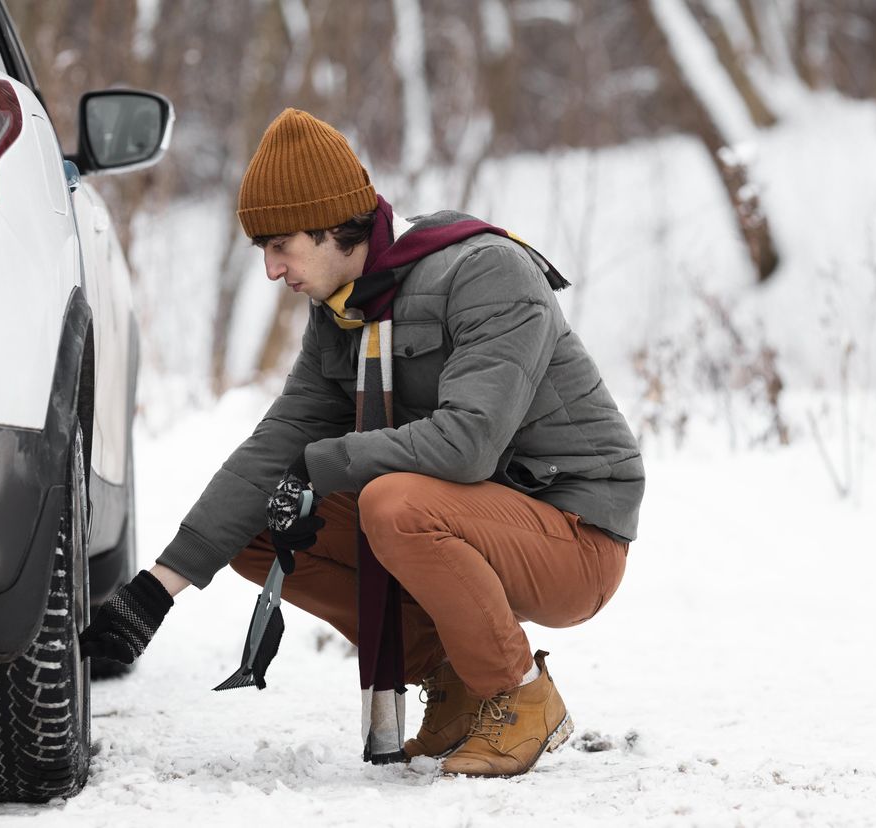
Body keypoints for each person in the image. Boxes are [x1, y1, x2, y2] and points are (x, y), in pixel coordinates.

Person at [80, 108, 645, 779]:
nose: (270, 269)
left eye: (280, 245)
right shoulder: (344, 312)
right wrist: (155, 591)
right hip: (475, 516)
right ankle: (456, 680)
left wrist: (327, 463)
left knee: (393, 503)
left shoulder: (486, 273)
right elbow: (276, 448)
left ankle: (519, 695)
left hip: (574, 533)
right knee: (267, 525)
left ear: (329, 226)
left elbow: (468, 445)